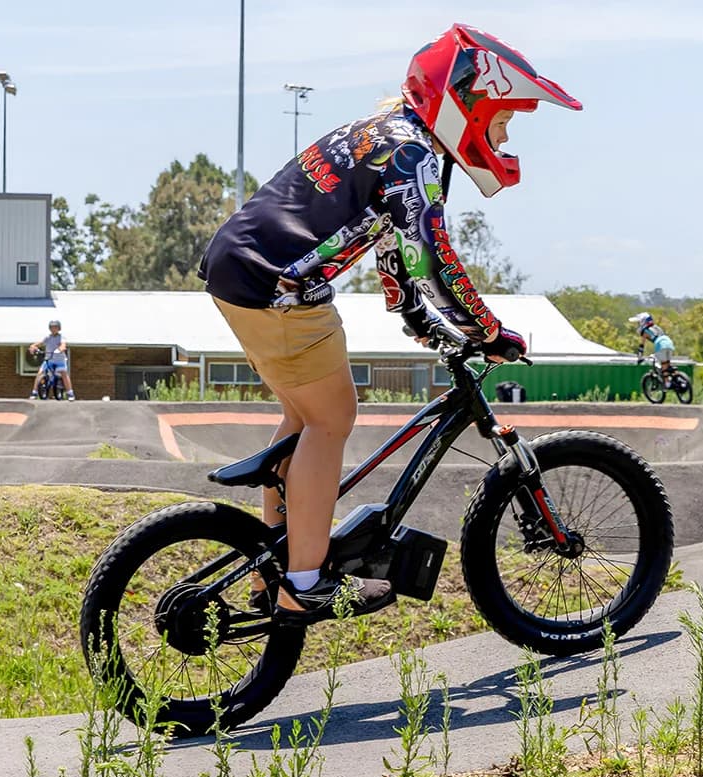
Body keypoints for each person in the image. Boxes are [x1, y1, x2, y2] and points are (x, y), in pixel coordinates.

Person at [198, 23, 582, 624]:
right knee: (333, 420)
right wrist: (485, 330)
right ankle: (302, 582)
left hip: (238, 275)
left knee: (302, 418)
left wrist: (413, 314)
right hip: (281, 290)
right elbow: (430, 254)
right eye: (500, 120)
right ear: (464, 105)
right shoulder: (416, 154)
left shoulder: (381, 134)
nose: (503, 137)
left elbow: (393, 246)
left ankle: (272, 564)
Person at [28, 319, 75, 400]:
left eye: (55, 327)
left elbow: (63, 345)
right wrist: (33, 346)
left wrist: (59, 349)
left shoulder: (61, 337)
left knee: (64, 373)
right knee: (40, 373)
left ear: (59, 328)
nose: (53, 329)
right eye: (52, 327)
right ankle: (34, 392)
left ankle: (70, 393)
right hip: (49, 359)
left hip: (60, 360)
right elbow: (40, 343)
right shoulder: (48, 337)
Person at [630, 312, 677, 386]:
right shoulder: (657, 328)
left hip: (660, 344)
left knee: (663, 365)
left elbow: (641, 346)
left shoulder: (645, 331)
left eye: (639, 323)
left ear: (643, 322)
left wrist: (640, 357)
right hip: (669, 342)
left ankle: (667, 383)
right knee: (668, 364)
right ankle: (678, 378)